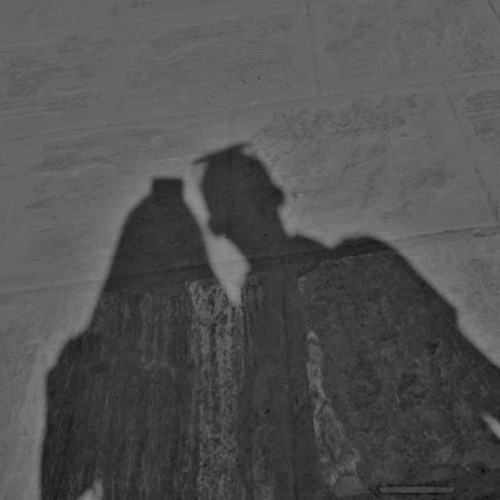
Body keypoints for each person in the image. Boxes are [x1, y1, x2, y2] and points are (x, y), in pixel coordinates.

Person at [198, 145, 500, 498]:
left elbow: (456, 354)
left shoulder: (353, 271)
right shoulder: (262, 298)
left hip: (418, 470)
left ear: (217, 227)